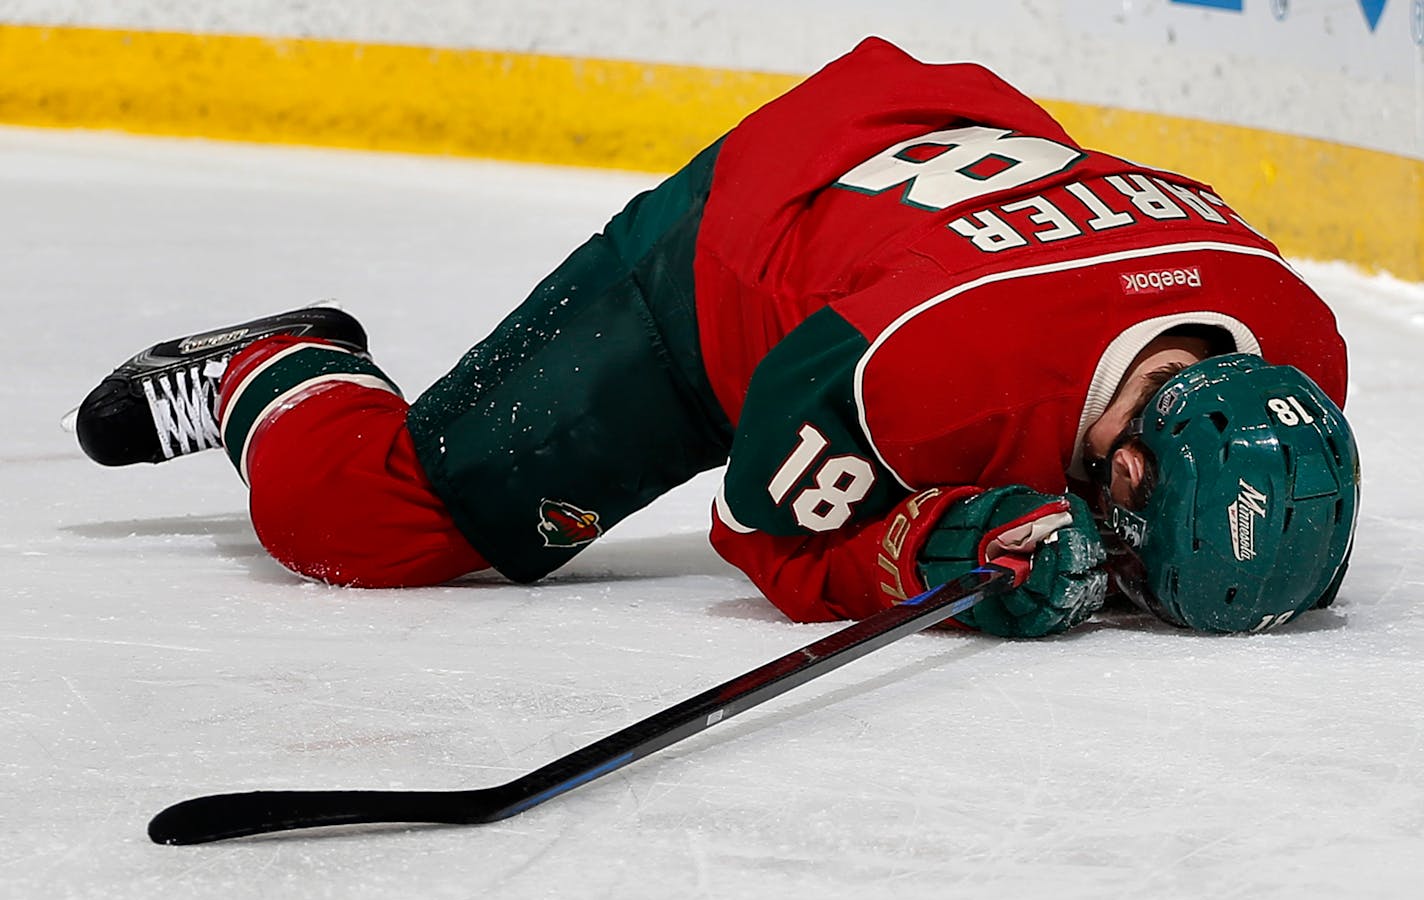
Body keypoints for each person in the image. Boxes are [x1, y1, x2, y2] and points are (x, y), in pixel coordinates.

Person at [75, 37, 1360, 637]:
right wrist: (921, 552)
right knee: (359, 524)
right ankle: (277, 368)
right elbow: (761, 527)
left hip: (931, 167)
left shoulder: (1304, 349)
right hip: (746, 249)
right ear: (1127, 467)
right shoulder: (915, 368)